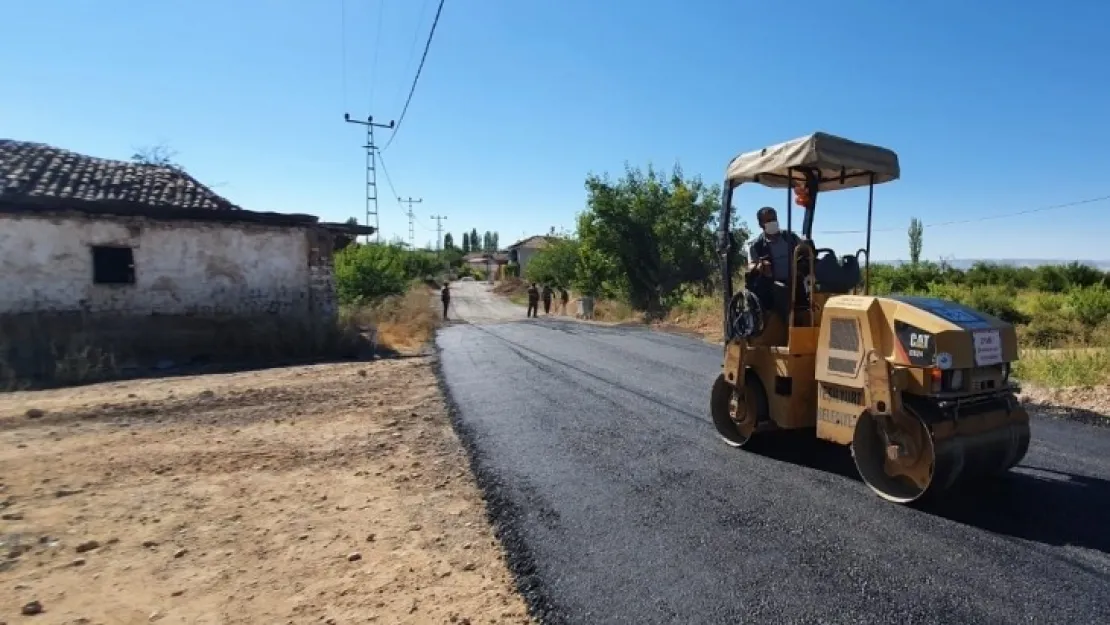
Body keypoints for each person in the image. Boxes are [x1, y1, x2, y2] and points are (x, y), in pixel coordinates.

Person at [746, 206, 802, 322]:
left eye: (774, 219)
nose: (772, 223)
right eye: (768, 221)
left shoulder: (790, 237)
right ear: (761, 224)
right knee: (780, 290)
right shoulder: (757, 245)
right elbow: (751, 265)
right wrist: (759, 266)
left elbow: (805, 250)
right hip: (772, 284)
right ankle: (791, 326)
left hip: (795, 280)